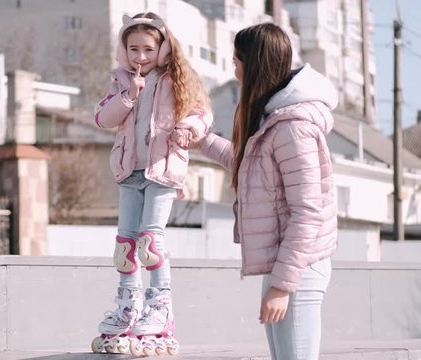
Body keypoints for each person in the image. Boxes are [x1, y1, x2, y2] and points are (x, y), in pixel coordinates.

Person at [185, 23, 338, 360]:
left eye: (237, 59)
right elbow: (253, 168)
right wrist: (205, 143)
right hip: (285, 265)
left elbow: (307, 212)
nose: (233, 66)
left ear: (254, 64)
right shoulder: (273, 119)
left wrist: (282, 286)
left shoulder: (293, 128)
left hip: (299, 269)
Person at [90, 12, 212, 356]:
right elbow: (102, 117)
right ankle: (128, 306)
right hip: (130, 172)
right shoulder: (121, 80)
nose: (140, 56)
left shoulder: (177, 78)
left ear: (163, 47)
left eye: (147, 49)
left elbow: (202, 113)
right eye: (133, 49)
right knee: (125, 246)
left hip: (162, 170)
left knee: (150, 241)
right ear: (123, 50)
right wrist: (128, 94)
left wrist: (188, 128)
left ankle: (161, 308)